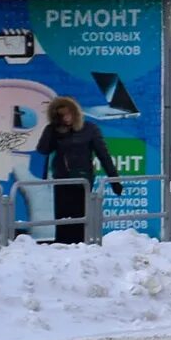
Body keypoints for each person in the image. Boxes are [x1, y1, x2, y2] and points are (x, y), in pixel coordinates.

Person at [35, 96, 123, 244]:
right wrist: (52, 130)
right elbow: (42, 149)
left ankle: (80, 245)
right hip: (62, 179)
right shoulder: (54, 130)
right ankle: (62, 244)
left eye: (68, 114)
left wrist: (114, 180)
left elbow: (104, 155)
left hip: (82, 180)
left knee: (80, 217)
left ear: (75, 113)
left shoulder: (89, 129)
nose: (65, 118)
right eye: (61, 115)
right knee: (63, 218)